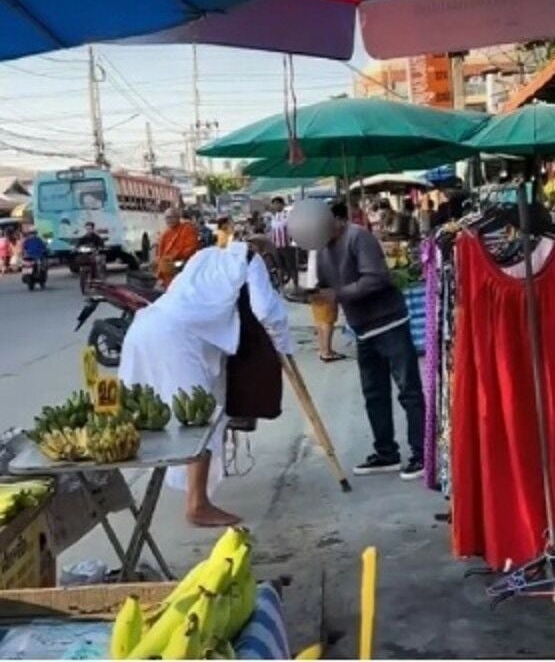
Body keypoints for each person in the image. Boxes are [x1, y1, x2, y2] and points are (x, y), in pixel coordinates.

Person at [119, 241, 293, 526]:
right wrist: (282, 346)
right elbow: (266, 310)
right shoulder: (251, 260)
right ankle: (197, 504)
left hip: (146, 327)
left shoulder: (205, 256)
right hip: (178, 337)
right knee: (199, 419)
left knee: (155, 411)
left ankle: (182, 491)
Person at [315, 201, 425, 478]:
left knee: (408, 390)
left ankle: (421, 453)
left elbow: (375, 278)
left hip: (389, 322)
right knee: (374, 394)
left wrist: (337, 294)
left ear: (337, 220)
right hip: (362, 328)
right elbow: (325, 286)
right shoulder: (323, 249)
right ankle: (386, 452)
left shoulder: (358, 237)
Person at [156, 205, 200, 288]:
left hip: (182, 263)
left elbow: (191, 247)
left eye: (172, 217)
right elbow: (160, 254)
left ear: (178, 217)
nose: (169, 220)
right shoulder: (164, 234)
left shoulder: (188, 229)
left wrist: (173, 256)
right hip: (168, 268)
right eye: (167, 218)